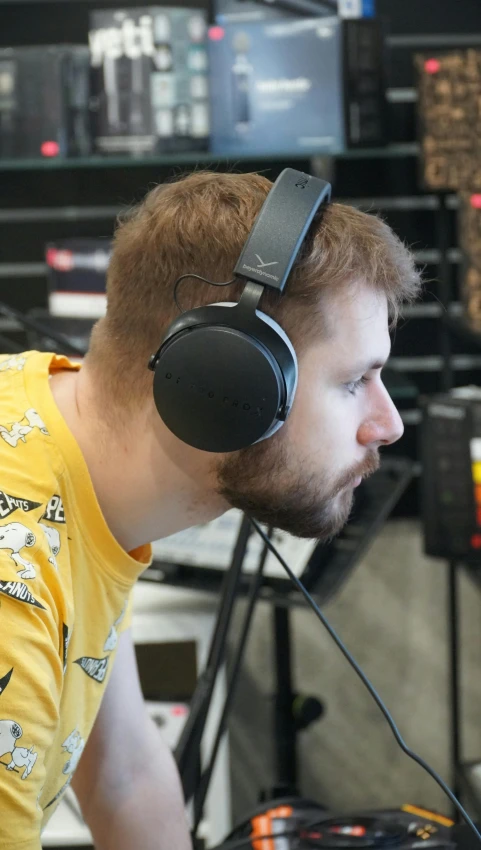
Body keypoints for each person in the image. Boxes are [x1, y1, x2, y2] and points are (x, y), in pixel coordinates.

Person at [0, 170, 421, 849]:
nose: (388, 424)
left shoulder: (54, 438)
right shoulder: (10, 597)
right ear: (221, 380)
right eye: (352, 382)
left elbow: (124, 775)